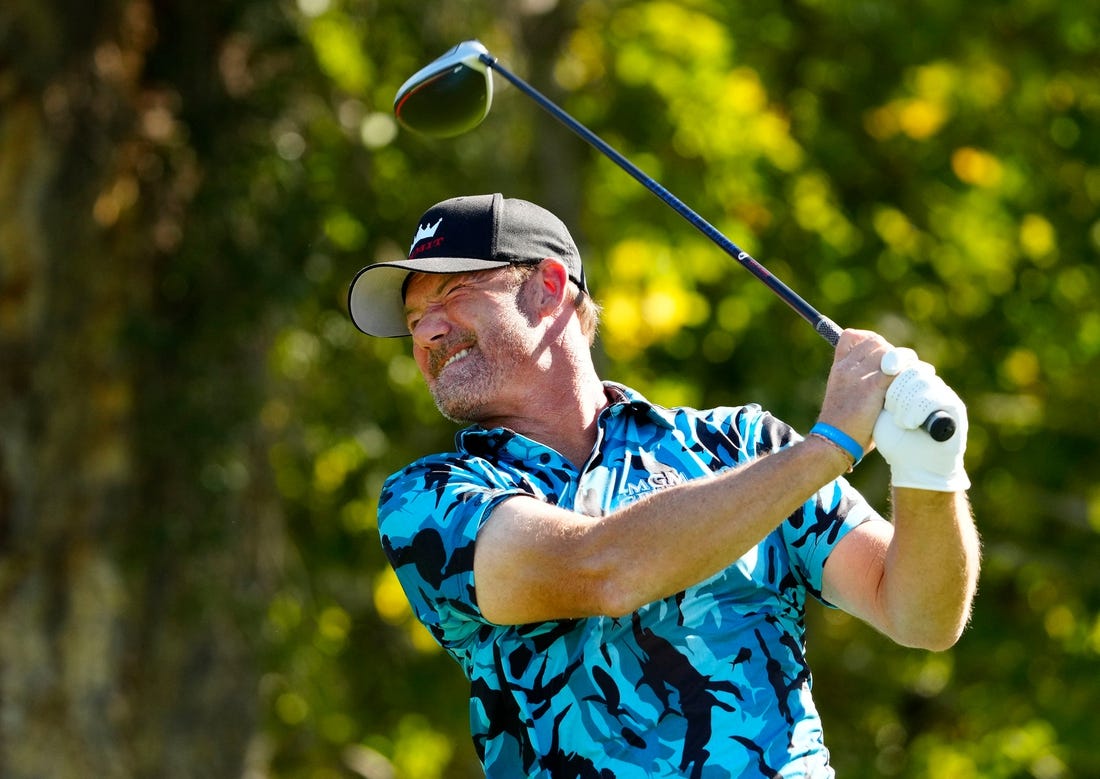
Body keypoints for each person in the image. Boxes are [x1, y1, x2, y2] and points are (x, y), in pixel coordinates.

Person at [348, 193, 980, 778]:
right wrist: (831, 444)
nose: (428, 331)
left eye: (454, 293)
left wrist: (931, 473)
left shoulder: (743, 446)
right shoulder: (427, 500)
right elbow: (600, 569)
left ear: (547, 287)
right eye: (414, 318)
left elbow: (920, 616)